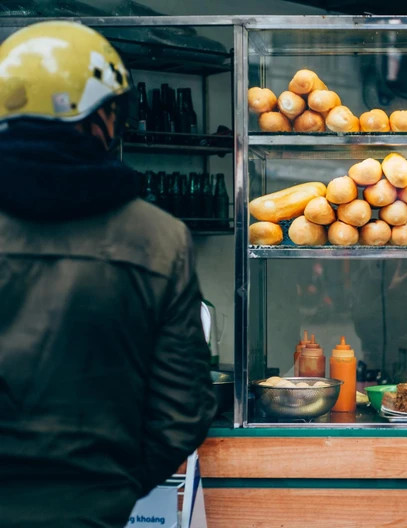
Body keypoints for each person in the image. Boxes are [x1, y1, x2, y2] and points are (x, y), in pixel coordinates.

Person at [0, 21, 216, 527]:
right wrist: (108, 488)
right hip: (90, 509)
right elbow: (183, 409)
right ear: (100, 116)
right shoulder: (157, 237)